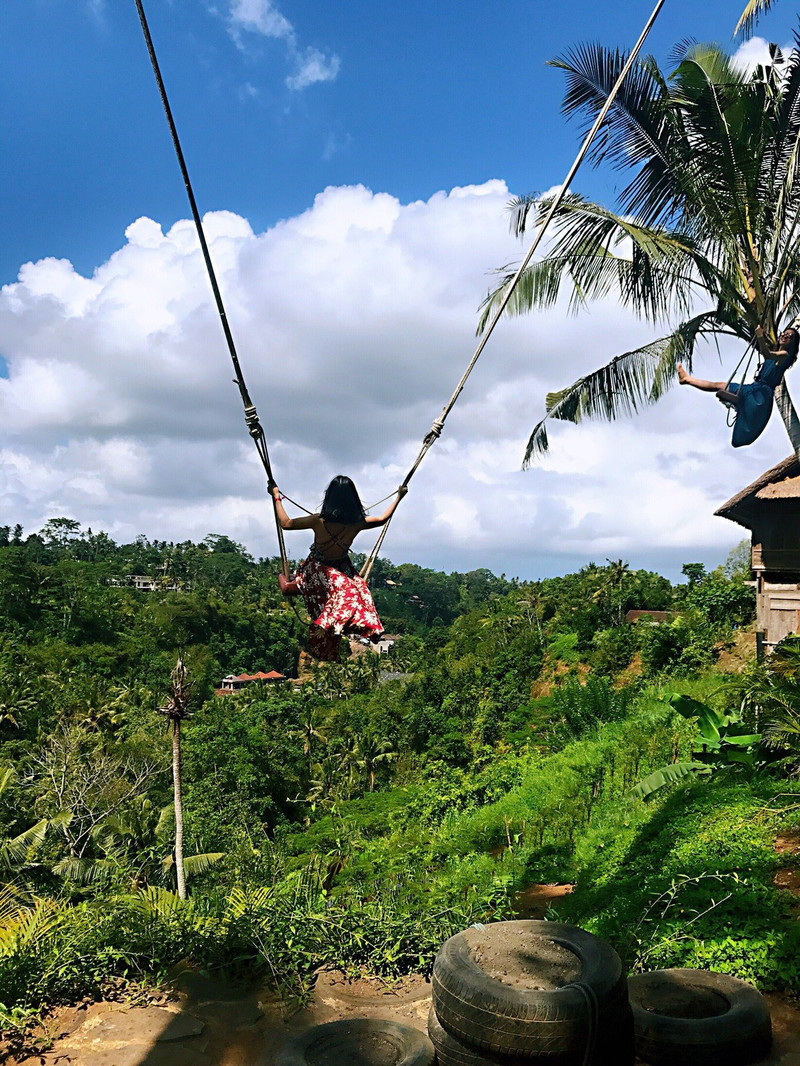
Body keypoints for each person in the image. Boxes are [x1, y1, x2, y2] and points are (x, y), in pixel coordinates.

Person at [270, 475, 407, 661]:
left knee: (358, 592)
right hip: (319, 570)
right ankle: (289, 581)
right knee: (336, 591)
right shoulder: (354, 523)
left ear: (329, 497)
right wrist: (399, 497)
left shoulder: (320, 520)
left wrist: (276, 496)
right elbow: (383, 518)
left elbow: (286, 522)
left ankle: (343, 624)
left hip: (335, 570)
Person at [677, 326, 800, 447]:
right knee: (719, 385)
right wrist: (760, 333)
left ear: (793, 343)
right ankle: (687, 379)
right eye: (784, 333)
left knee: (739, 435)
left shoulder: (785, 355)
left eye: (789, 336)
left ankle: (738, 404)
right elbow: (767, 352)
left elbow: (767, 354)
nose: (784, 335)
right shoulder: (776, 349)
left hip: (761, 396)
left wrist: (760, 337)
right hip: (754, 388)